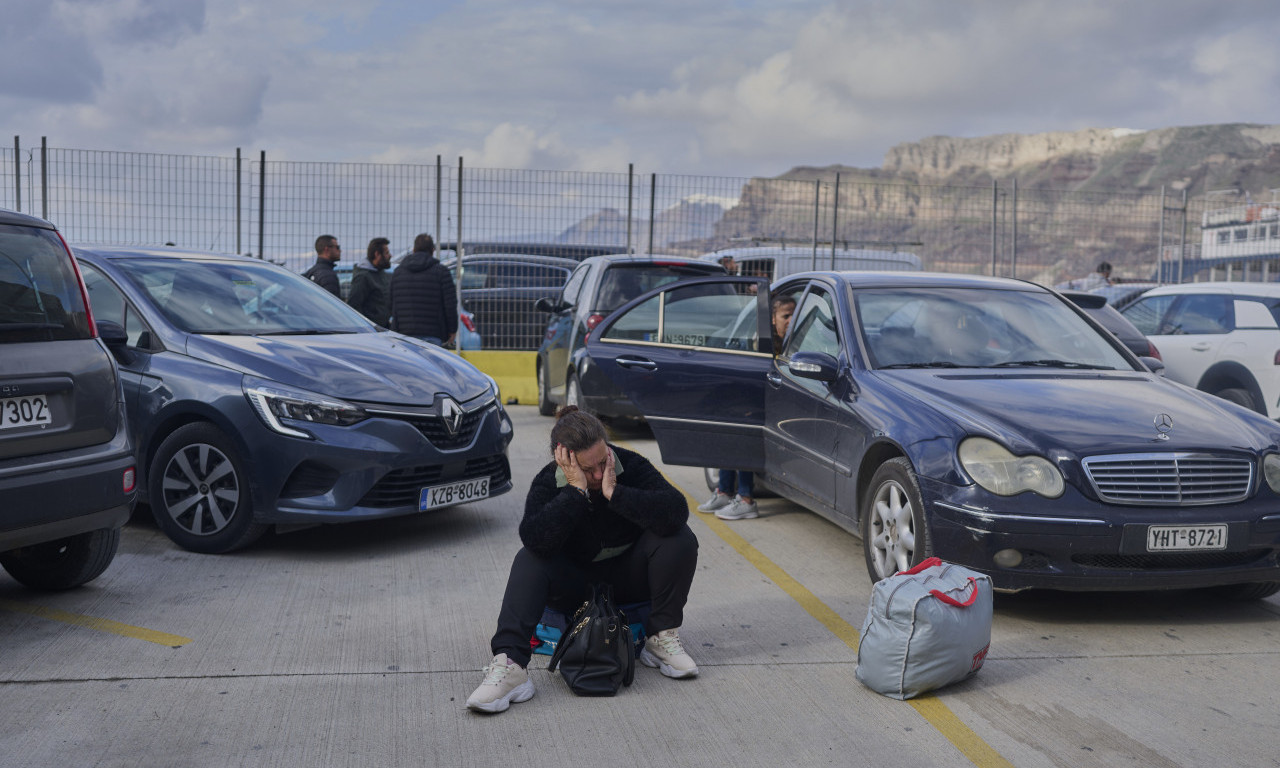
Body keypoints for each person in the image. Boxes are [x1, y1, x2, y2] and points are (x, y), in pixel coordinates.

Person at [466, 406, 700, 714]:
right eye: (588, 470)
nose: (600, 473)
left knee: (679, 537)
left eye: (603, 461)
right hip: (575, 588)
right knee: (529, 558)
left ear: (607, 445)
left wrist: (616, 494)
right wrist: (575, 493)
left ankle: (661, 639)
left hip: (627, 580)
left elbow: (675, 510)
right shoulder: (549, 483)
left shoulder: (628, 464)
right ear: (563, 460)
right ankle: (511, 666)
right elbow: (535, 539)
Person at [698, 295, 796, 521]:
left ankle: (746, 499)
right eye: (785, 316)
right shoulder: (762, 343)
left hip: (779, 407)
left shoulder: (796, 343)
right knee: (730, 422)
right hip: (761, 402)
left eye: (793, 315)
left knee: (744, 429)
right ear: (772, 319)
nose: (790, 320)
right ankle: (724, 491)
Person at [390, 233, 457, 346]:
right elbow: (450, 304)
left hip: (404, 333)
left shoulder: (398, 272)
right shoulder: (441, 272)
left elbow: (391, 302)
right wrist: (452, 329)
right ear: (432, 250)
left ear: (414, 250)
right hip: (434, 333)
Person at [348, 237, 392, 326]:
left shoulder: (381, 273)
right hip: (371, 331)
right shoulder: (363, 277)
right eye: (387, 253)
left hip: (382, 329)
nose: (390, 256)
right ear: (377, 254)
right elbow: (354, 305)